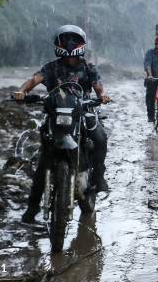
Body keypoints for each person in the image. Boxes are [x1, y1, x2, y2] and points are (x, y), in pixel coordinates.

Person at [15, 25, 111, 223]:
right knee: (44, 162)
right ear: (58, 44)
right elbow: (34, 80)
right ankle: (32, 209)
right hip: (56, 116)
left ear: (81, 44)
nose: (69, 45)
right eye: (65, 40)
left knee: (100, 138)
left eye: (73, 40)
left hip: (82, 112)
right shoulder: (51, 67)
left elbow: (99, 88)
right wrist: (21, 91)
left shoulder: (88, 68)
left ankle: (98, 177)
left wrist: (102, 96)